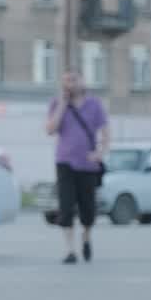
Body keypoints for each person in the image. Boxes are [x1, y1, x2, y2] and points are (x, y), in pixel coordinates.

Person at [46, 70, 108, 263]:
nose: (69, 84)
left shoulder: (94, 105)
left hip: (88, 166)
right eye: (65, 81)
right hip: (64, 162)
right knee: (66, 206)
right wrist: (63, 104)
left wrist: (99, 153)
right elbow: (50, 129)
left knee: (88, 209)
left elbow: (106, 133)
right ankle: (70, 250)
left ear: (81, 81)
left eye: (72, 80)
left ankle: (86, 238)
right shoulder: (57, 103)